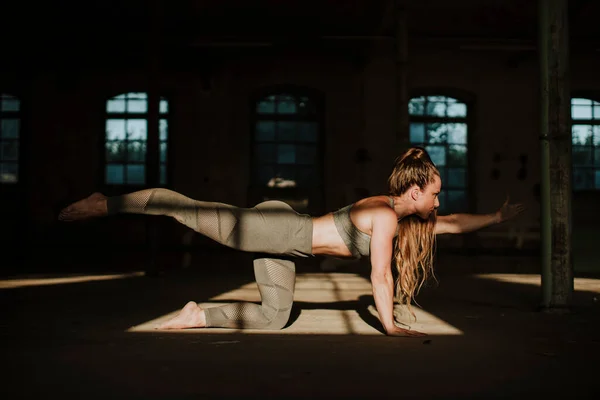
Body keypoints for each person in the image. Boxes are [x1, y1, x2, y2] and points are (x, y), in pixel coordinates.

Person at [58, 147, 524, 337]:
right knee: (186, 208)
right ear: (415, 191)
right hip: (282, 231)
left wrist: (497, 217)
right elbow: (379, 275)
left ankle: (197, 314)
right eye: (436, 195)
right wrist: (392, 328)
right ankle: (106, 204)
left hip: (288, 246)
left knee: (274, 318)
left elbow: (455, 223)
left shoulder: (402, 219)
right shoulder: (384, 215)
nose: (439, 204)